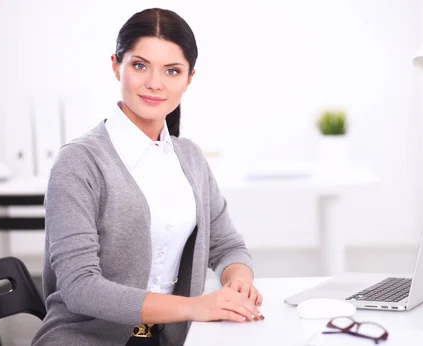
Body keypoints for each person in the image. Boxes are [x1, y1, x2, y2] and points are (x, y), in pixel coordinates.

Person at [31, 8, 263, 346]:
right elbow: (80, 287)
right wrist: (194, 307)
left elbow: (228, 246)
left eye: (172, 71)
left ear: (189, 79)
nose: (155, 83)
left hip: (173, 339)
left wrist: (238, 279)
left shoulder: (191, 159)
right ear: (116, 65)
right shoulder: (79, 162)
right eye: (140, 65)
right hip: (84, 338)